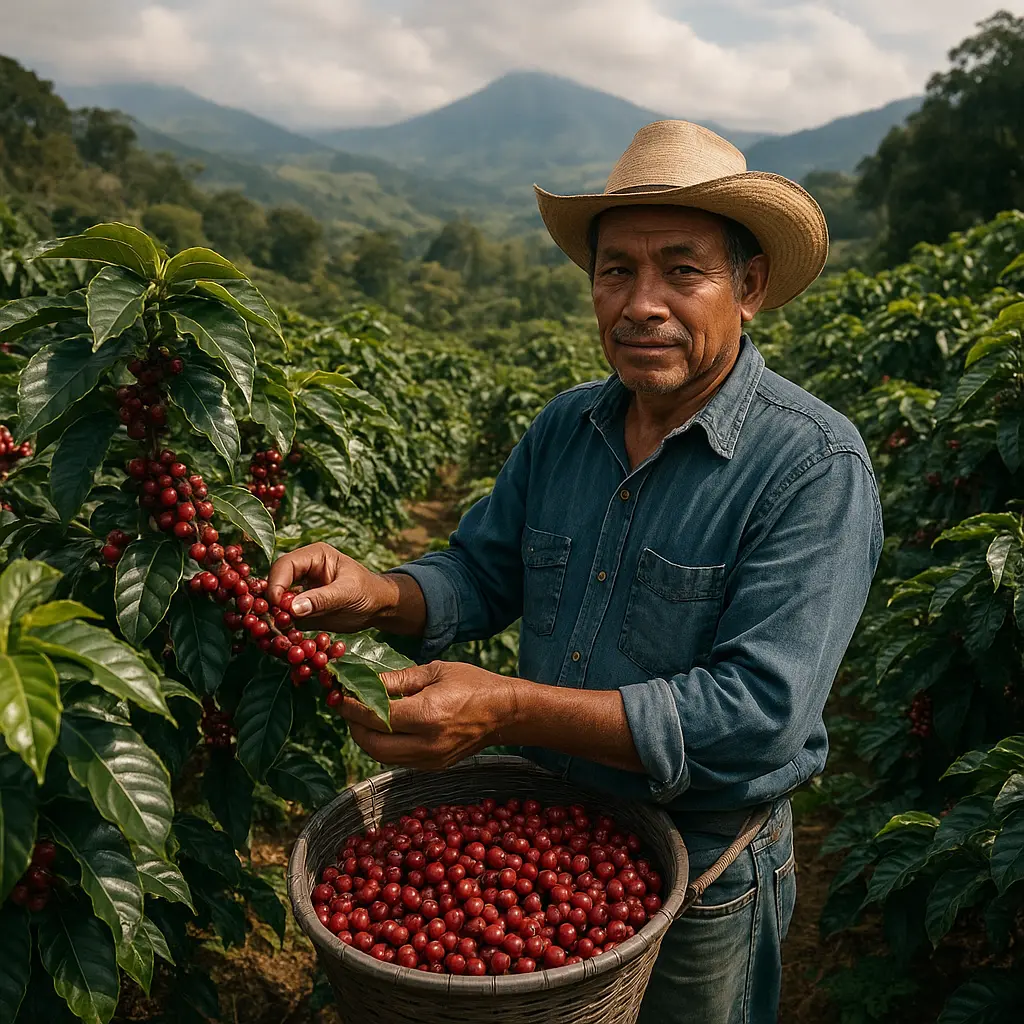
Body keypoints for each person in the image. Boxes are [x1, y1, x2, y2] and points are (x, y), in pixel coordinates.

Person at [268, 120, 883, 1023]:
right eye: (616, 272)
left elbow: (758, 716)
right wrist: (381, 594)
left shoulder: (812, 467)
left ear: (749, 286)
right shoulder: (567, 428)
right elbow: (483, 572)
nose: (642, 303)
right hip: (549, 833)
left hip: (703, 869)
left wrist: (507, 706)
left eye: (683, 270)